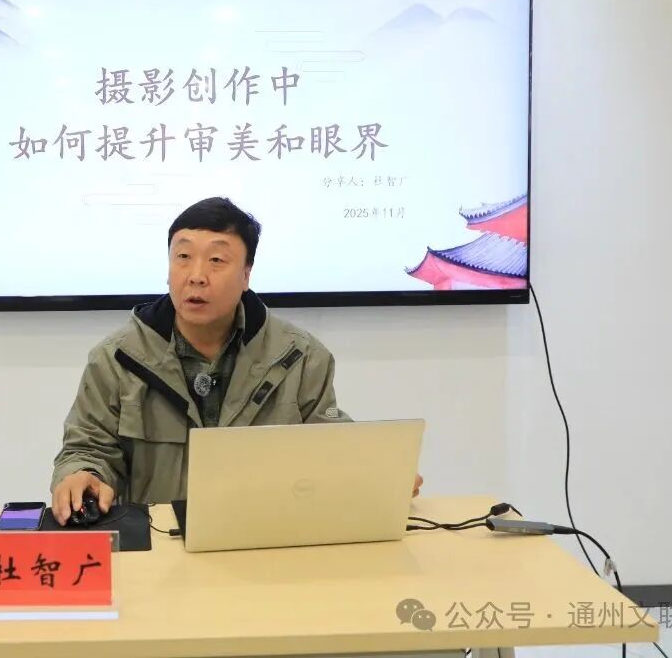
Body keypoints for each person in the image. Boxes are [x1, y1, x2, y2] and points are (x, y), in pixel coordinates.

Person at [51, 197, 422, 524]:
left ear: (246, 275)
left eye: (216, 260)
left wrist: (375, 470)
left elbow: (327, 445)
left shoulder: (301, 357)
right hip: (159, 545)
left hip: (263, 539)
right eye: (183, 257)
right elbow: (88, 447)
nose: (196, 276)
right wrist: (81, 474)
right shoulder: (117, 358)